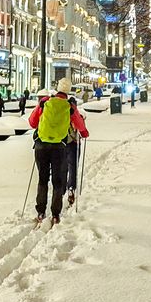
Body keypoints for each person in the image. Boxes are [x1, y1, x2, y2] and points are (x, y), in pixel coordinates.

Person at [28, 78, 89, 225]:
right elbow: (79, 125)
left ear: (57, 88)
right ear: (69, 91)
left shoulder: (45, 102)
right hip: (59, 147)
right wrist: (84, 133)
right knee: (57, 181)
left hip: (41, 146)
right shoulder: (69, 106)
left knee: (43, 179)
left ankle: (40, 212)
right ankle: (55, 214)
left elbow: (32, 122)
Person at [64, 96, 82, 205]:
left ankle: (60, 189)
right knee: (72, 166)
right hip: (73, 143)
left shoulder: (60, 113)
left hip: (60, 142)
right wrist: (84, 133)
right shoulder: (74, 111)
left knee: (61, 166)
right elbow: (80, 126)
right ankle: (71, 187)